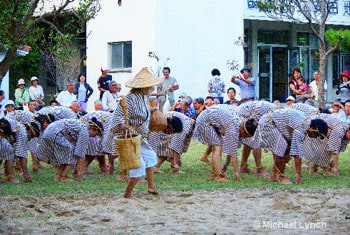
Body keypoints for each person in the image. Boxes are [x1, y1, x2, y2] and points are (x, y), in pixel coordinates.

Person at [104, 67, 161, 198]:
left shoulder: (142, 98)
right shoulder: (129, 98)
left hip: (140, 136)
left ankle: (151, 186)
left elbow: (142, 113)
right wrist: (123, 125)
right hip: (129, 136)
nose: (152, 88)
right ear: (143, 87)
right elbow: (118, 114)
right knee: (138, 165)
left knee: (151, 158)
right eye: (150, 86)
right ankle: (127, 193)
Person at [257, 108, 327, 184]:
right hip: (268, 123)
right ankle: (281, 177)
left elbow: (293, 149)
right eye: (317, 135)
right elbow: (297, 153)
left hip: (275, 123)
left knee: (287, 150)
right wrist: (298, 174)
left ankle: (273, 175)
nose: (315, 138)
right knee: (281, 148)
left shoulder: (306, 122)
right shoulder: (301, 127)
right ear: (312, 129)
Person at [193, 105, 258, 182]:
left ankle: (215, 174)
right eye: (245, 136)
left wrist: (226, 164)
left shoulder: (240, 124)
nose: (244, 138)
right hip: (204, 121)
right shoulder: (233, 129)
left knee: (217, 146)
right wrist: (237, 173)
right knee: (218, 147)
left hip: (210, 120)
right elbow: (234, 154)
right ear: (243, 131)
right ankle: (218, 176)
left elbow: (231, 149)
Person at [33, 118, 103, 182]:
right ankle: (64, 176)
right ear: (93, 129)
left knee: (67, 152)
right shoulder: (85, 131)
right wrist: (80, 171)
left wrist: (77, 169)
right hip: (55, 133)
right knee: (71, 152)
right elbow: (80, 154)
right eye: (96, 134)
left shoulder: (82, 125)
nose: (94, 136)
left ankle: (58, 176)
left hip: (50, 131)